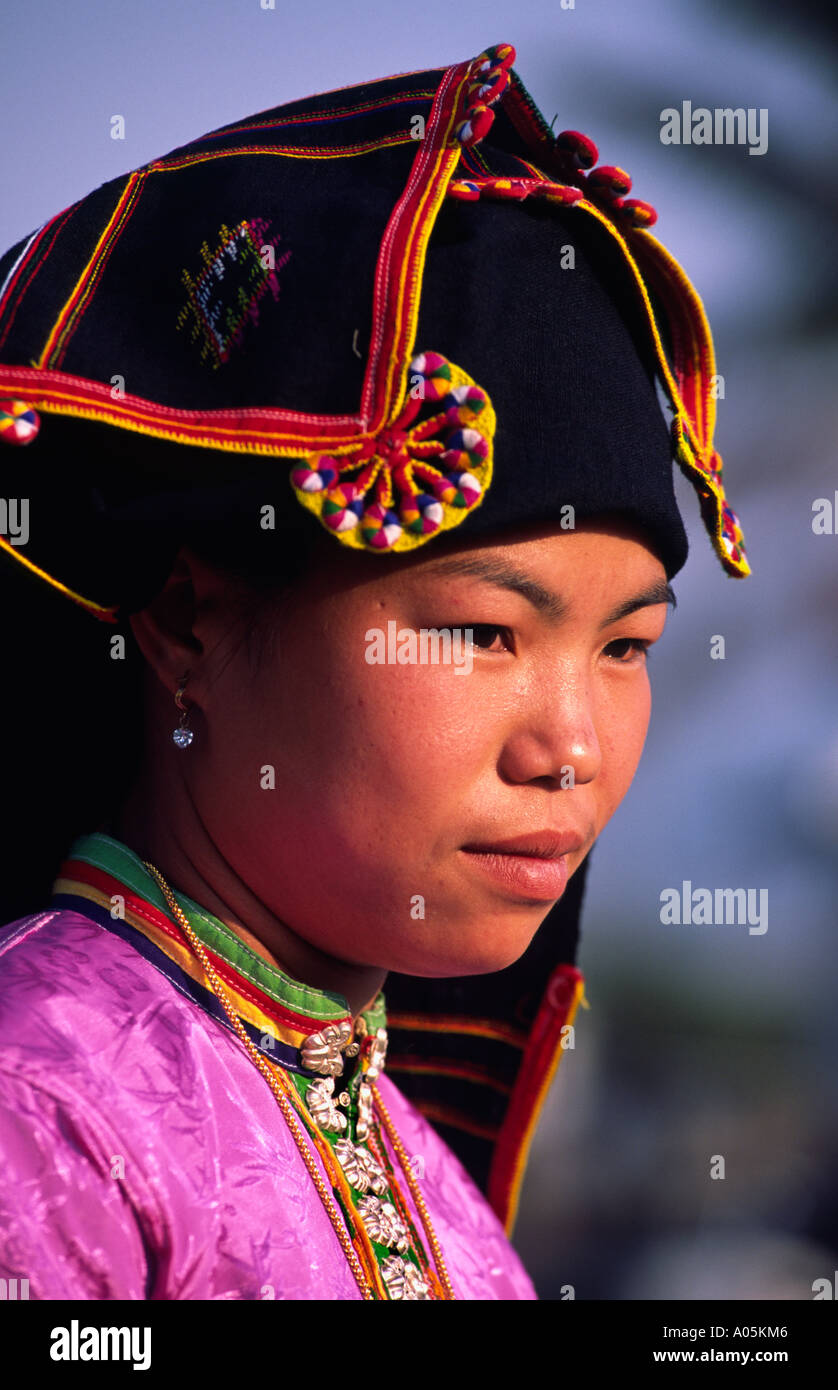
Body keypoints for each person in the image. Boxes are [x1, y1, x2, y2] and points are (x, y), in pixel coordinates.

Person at [0, 40, 749, 1300]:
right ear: (188, 621)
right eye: (478, 634)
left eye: (626, 647)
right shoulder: (44, 1108)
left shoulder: (438, 1193)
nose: (568, 745)